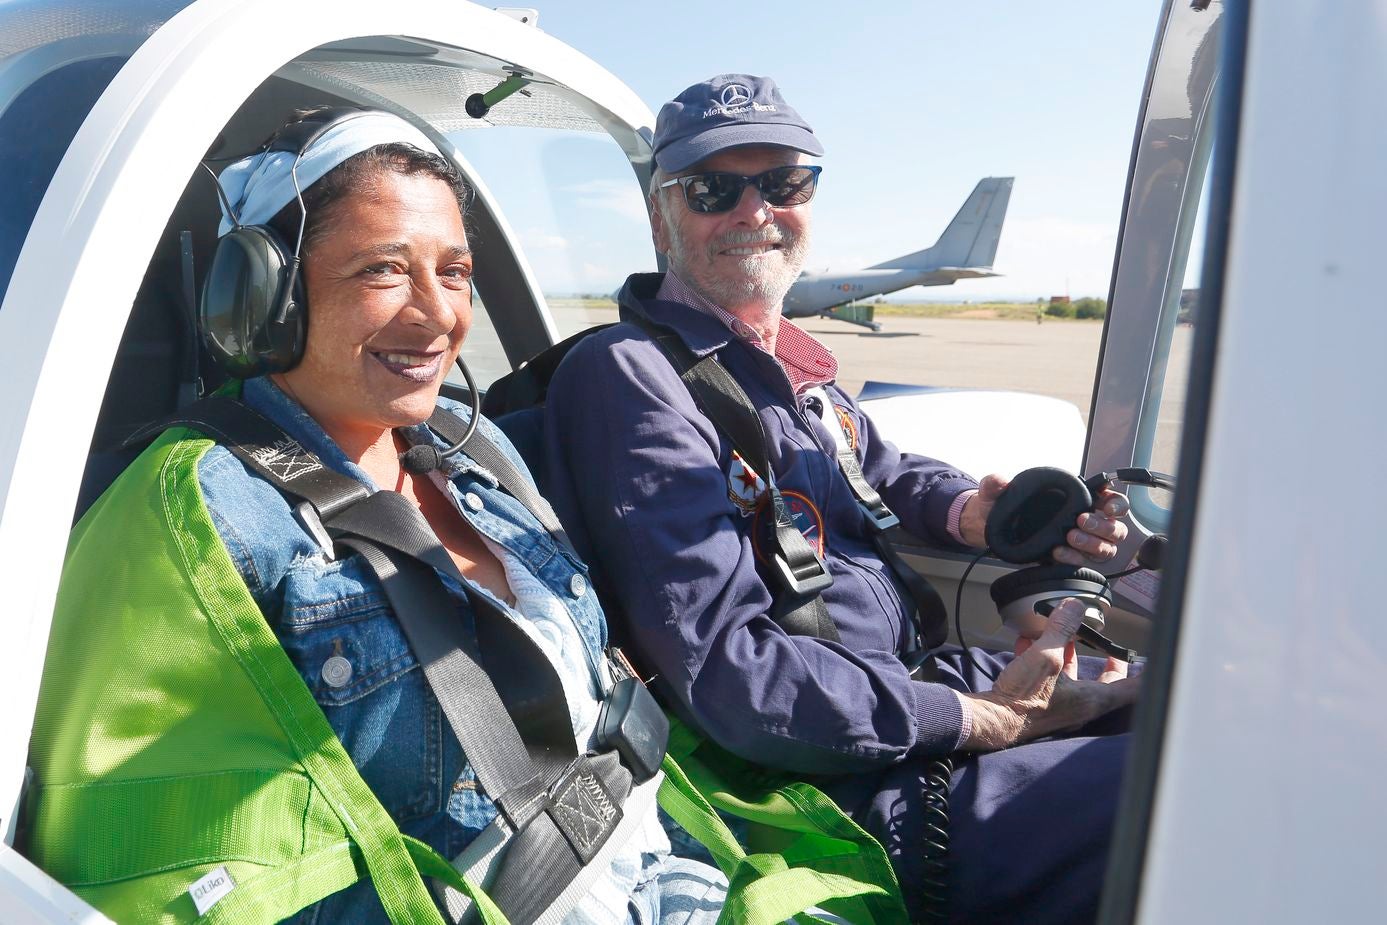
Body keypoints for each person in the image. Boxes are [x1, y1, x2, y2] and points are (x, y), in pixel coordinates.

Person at [26, 108, 725, 925]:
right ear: (268, 294)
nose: (438, 316)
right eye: (384, 270)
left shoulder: (475, 448)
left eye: (454, 271)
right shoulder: (198, 511)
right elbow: (169, 874)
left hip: (669, 877)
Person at [542, 75, 1140, 924]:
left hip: (904, 690)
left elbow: (884, 465)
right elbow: (732, 676)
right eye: (716, 188)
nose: (755, 209)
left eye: (784, 182)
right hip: (831, 782)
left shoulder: (787, 367)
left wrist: (974, 510)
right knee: (1190, 796)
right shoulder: (632, 377)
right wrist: (983, 718)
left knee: (1199, 704)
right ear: (659, 216)